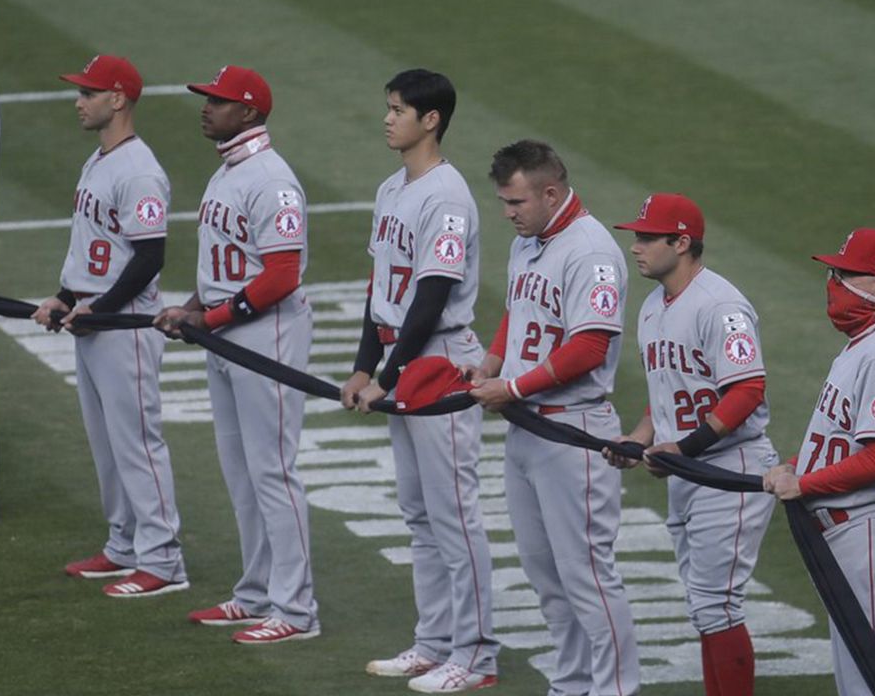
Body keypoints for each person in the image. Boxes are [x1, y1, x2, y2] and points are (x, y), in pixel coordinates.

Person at [341, 68, 498, 694]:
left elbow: (432, 295)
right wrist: (362, 364)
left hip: (440, 362)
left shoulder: (448, 197)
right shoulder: (391, 189)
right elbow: (381, 290)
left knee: (454, 514)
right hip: (404, 358)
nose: (388, 118)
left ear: (430, 120)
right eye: (388, 108)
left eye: (398, 109)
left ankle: (476, 656)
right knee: (419, 513)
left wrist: (388, 374)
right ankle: (434, 643)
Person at [467, 140, 640, 696]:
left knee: (586, 577)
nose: (507, 212)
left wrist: (511, 384)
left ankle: (614, 689)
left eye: (515, 201)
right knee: (546, 576)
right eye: (502, 201)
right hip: (526, 427)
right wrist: (494, 358)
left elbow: (589, 347)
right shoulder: (532, 240)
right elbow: (519, 308)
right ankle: (570, 684)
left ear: (550, 193)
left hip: (574, 432)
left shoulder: (590, 251)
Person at [154, 65, 319, 641]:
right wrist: (190, 306)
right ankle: (255, 593)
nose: (206, 107)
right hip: (227, 331)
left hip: (265, 335)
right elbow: (227, 264)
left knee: (272, 470)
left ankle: (296, 611)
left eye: (218, 101)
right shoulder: (230, 171)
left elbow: (281, 276)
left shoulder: (271, 179)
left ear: (248, 112)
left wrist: (212, 317)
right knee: (242, 472)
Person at [605, 194, 777, 696]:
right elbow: (668, 395)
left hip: (730, 467)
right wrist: (638, 441)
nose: (634, 247)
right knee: (705, 608)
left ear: (682, 242)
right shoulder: (654, 305)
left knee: (716, 605)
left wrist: (688, 448)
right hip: (691, 471)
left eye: (645, 237)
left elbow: (747, 389)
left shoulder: (720, 306)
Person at [32, 54, 190, 597]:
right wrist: (65, 297)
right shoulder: (99, 161)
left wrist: (100, 309)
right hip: (94, 320)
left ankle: (163, 559)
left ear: (118, 98)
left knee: (136, 443)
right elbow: (94, 252)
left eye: (89, 92)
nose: (79, 101)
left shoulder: (139, 169)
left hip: (126, 327)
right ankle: (124, 545)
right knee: (106, 443)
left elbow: (149, 256)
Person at [763, 228, 875, 695]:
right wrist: (797, 465)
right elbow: (841, 437)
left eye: (844, 273)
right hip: (850, 530)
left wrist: (805, 486)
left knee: (871, 681)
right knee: (858, 676)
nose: (832, 282)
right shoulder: (864, 345)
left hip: (869, 530)